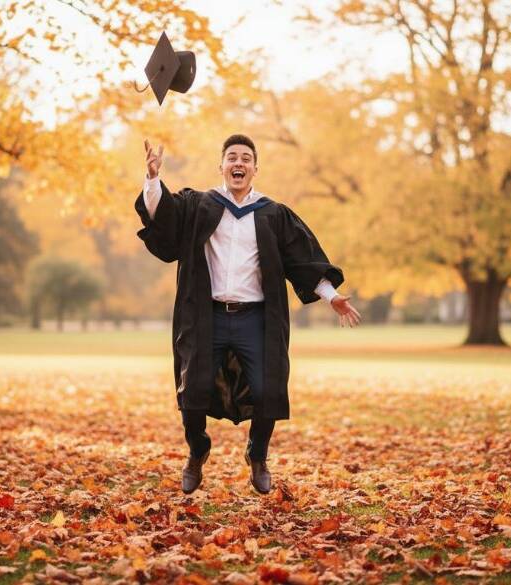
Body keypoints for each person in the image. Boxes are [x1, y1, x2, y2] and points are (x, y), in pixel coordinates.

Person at [135, 134, 361, 495]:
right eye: (232, 158)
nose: (238, 164)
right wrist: (152, 178)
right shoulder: (199, 205)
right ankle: (197, 451)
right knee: (192, 390)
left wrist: (330, 295)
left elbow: (300, 258)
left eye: (245, 158)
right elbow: (163, 217)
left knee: (267, 389)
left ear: (255, 168)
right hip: (206, 316)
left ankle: (257, 456)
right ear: (221, 166)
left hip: (254, 319)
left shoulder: (272, 214)